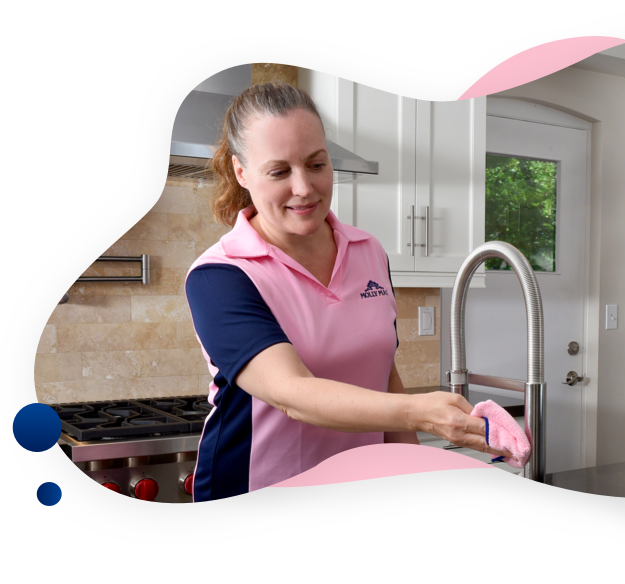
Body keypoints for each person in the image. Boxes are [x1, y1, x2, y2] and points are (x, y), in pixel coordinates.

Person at [184, 82, 510, 502]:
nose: (304, 188)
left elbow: (384, 374)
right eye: (280, 171)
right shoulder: (220, 275)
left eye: (316, 164)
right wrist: (423, 411)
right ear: (242, 173)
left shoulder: (368, 251)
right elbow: (292, 394)